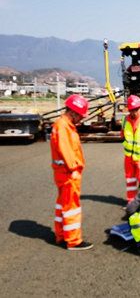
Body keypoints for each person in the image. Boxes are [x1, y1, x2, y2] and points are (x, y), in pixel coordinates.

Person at [50, 94, 93, 251]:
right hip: (68, 174)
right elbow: (66, 150)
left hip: (63, 172)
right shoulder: (63, 126)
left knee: (62, 205)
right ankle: (73, 241)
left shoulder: (64, 125)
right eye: (80, 116)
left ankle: (61, 235)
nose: (81, 119)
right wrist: (73, 169)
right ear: (73, 113)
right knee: (71, 207)